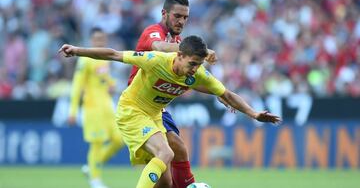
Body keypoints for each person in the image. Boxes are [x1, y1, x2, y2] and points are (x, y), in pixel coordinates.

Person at [59, 35, 281, 188]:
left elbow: (227, 94)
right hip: (131, 110)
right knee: (167, 153)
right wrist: (77, 50)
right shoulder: (155, 61)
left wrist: (254, 114)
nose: (194, 69)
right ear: (180, 55)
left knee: (165, 183)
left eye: (198, 65)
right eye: (192, 63)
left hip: (154, 116)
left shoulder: (197, 74)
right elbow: (114, 54)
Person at [129, 0, 216, 188]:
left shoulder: (178, 42)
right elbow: (159, 46)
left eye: (185, 17)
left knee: (173, 164)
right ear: (164, 13)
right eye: (177, 16)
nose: (181, 21)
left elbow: (191, 78)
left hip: (157, 106)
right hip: (138, 104)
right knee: (175, 147)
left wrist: (218, 94)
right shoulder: (154, 32)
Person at [68, 27, 125, 188]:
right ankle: (95, 179)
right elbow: (77, 86)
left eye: (102, 39)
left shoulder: (104, 58)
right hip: (92, 107)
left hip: (107, 106)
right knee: (97, 143)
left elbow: (104, 78)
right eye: (97, 39)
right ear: (91, 41)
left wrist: (112, 84)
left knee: (119, 140)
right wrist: (72, 110)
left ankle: (91, 167)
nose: (100, 42)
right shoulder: (84, 60)